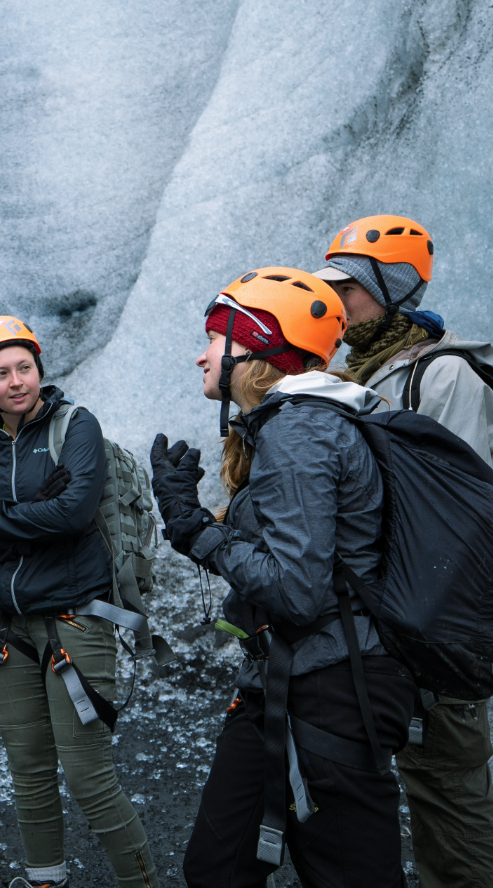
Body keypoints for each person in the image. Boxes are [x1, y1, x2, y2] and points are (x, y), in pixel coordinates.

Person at [152, 268, 415, 888]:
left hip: (331, 687)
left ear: (254, 346)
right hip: (287, 679)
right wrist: (201, 523)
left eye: (215, 339)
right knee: (218, 869)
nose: (202, 354)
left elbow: (295, 590)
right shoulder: (293, 426)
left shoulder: (300, 431)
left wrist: (195, 529)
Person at [315, 216, 493, 888]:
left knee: (449, 792)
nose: (334, 302)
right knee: (415, 782)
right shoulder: (357, 373)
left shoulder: (446, 378)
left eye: (349, 289)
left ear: (391, 289)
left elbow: (460, 516)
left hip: (439, 625)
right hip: (389, 620)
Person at [0, 317, 158, 888]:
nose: (16, 381)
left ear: (39, 369)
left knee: (89, 777)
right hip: (4, 628)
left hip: (75, 623)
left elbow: (73, 513)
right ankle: (45, 882)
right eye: (1, 373)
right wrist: (26, 515)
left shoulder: (76, 426)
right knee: (30, 772)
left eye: (24, 367)